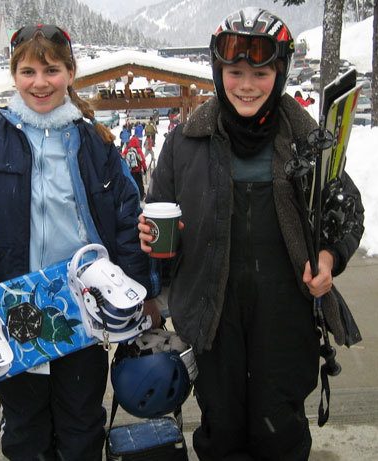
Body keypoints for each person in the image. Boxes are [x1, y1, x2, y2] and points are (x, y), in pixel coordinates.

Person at [138, 8, 364, 461]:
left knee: (278, 430)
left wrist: (328, 256)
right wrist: (152, 239)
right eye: (234, 71)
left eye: (260, 72)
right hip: (211, 314)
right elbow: (158, 214)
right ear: (218, 72)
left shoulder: (308, 139)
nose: (245, 84)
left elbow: (347, 211)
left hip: (285, 316)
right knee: (220, 428)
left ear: (278, 74)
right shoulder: (186, 142)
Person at [0, 24, 160, 461]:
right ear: (14, 74)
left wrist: (142, 297)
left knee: (81, 421)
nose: (40, 82)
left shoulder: (94, 143)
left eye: (51, 70)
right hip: (14, 306)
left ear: (70, 72)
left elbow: (125, 219)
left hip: (82, 307)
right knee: (25, 426)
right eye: (28, 71)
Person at [122, 135, 147, 200]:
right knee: (139, 183)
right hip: (137, 170)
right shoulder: (138, 150)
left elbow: (122, 157)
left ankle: (131, 196)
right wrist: (144, 168)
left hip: (129, 171)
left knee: (131, 183)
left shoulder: (127, 149)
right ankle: (141, 196)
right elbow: (142, 160)